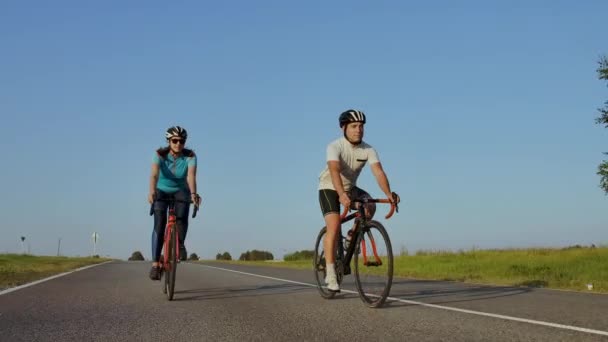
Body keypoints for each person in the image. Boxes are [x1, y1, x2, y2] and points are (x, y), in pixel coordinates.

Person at [317, 109, 399, 292]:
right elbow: (334, 170)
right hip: (329, 187)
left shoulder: (368, 149)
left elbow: (378, 172)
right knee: (334, 226)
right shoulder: (334, 146)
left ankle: (350, 237)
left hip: (350, 188)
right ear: (344, 128)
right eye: (354, 126)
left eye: (361, 126)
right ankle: (330, 274)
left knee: (369, 205)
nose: (358, 130)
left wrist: (389, 194)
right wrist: (341, 194)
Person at [148, 126, 201, 280]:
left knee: (182, 216)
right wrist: (151, 191)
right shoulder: (159, 155)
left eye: (181, 141)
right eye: (175, 140)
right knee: (159, 222)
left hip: (180, 190)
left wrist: (193, 194)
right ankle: (156, 264)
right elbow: (154, 174)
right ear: (169, 141)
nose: (178, 144)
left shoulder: (190, 156)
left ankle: (180, 244)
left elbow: (191, 177)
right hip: (162, 189)